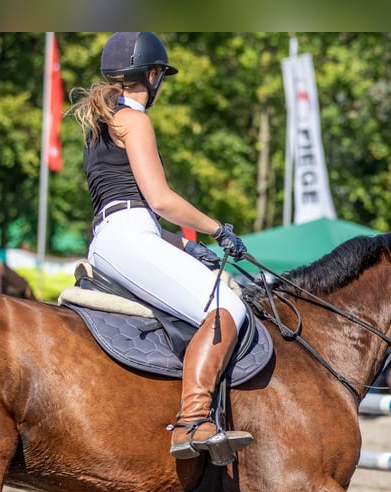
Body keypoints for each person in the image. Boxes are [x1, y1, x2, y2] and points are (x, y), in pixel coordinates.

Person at [70, 32, 252, 463]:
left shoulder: (102, 123)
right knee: (227, 307)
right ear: (152, 76)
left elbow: (127, 207)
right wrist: (217, 230)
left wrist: (187, 249)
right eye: (160, 78)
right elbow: (160, 200)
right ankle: (194, 420)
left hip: (116, 239)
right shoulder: (133, 120)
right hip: (128, 237)